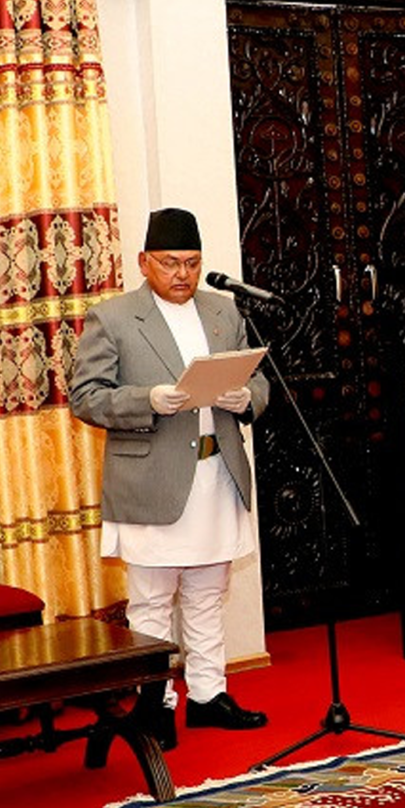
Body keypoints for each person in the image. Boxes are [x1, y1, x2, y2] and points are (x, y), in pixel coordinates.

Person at [69, 207, 271, 748]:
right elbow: (85, 397)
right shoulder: (113, 317)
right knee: (153, 601)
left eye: (192, 263)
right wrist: (148, 400)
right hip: (151, 479)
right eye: (169, 263)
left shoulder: (223, 310)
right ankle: (154, 704)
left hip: (216, 471)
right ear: (144, 262)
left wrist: (246, 398)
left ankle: (208, 694)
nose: (182, 274)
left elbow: (260, 381)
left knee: (207, 592)